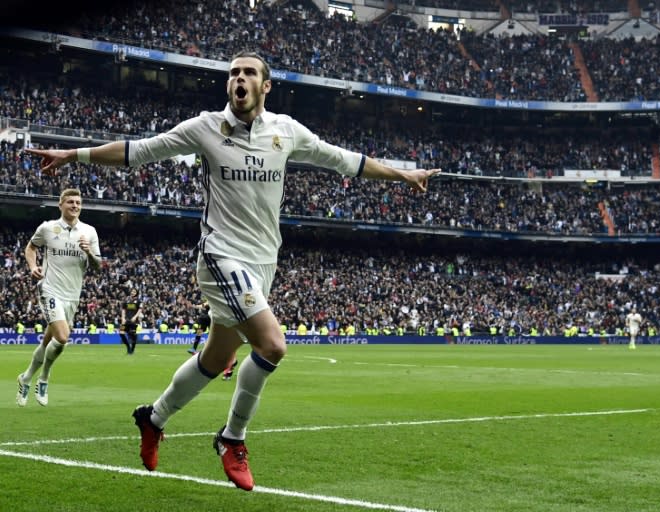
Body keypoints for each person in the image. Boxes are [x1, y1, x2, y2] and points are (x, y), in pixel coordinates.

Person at [26, 50, 440, 491]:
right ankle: (232, 438)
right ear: (229, 84)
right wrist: (73, 155)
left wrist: (402, 174)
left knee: (217, 357)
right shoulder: (205, 127)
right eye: (234, 73)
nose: (239, 78)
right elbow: (138, 152)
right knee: (273, 345)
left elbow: (345, 161)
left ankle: (153, 418)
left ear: (265, 86)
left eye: (249, 73)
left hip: (263, 261)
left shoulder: (286, 131)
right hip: (220, 255)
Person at [15, 188, 101, 407]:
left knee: (51, 342)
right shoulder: (47, 228)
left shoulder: (89, 232)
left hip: (73, 295)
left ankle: (25, 378)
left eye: (78, 202)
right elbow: (31, 248)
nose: (75, 205)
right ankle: (44, 378)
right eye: (70, 202)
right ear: (60, 205)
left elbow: (98, 267)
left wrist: (89, 251)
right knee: (62, 337)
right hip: (50, 289)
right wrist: (33, 266)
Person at [120, 288, 142, 355]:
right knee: (121, 333)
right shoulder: (126, 299)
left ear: (136, 293)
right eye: (132, 291)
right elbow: (123, 309)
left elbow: (140, 310)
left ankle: (132, 350)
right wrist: (123, 318)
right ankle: (128, 348)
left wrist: (135, 317)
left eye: (134, 291)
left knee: (133, 335)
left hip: (133, 320)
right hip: (126, 320)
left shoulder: (138, 301)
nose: (133, 292)